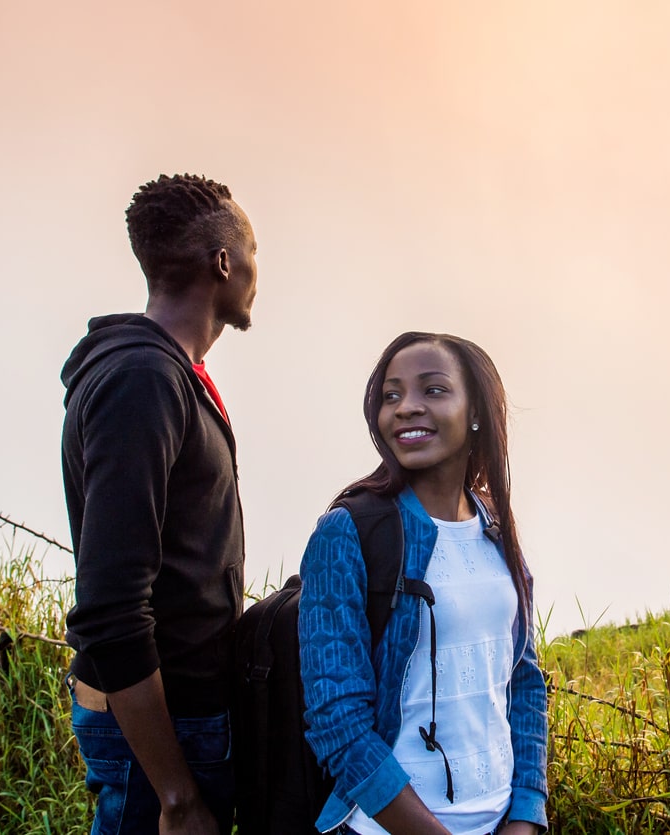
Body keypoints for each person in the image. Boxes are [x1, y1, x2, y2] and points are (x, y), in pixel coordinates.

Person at [60, 173, 258, 834]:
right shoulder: (142, 380)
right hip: (162, 733)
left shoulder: (165, 375)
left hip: (182, 720)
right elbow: (112, 605)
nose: (259, 267)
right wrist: (175, 792)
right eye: (253, 249)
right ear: (223, 261)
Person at [298, 332, 549, 835]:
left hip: (501, 822)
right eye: (392, 396)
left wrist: (525, 814)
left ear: (475, 411)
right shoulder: (348, 532)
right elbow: (337, 719)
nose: (406, 408)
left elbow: (522, 681)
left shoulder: (496, 527)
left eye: (432, 390)